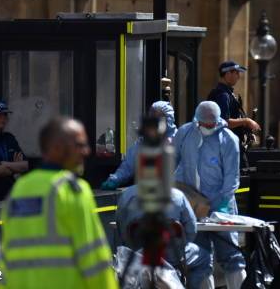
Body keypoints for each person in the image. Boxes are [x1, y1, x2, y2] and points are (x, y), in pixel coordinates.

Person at [0, 117, 118, 289]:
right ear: (56, 148)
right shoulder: (72, 190)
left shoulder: (19, 190)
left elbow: (6, 261)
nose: (86, 151)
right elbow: (95, 260)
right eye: (79, 145)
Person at [174, 101, 246, 289]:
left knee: (231, 256)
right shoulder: (185, 133)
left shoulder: (228, 139)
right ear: (197, 120)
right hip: (194, 208)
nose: (207, 127)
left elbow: (232, 177)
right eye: (204, 124)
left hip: (222, 208)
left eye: (211, 124)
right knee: (200, 259)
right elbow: (174, 164)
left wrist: (222, 203)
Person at [116, 184, 214, 289]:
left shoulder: (126, 195)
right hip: (172, 256)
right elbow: (191, 230)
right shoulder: (178, 195)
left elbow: (122, 230)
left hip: (139, 256)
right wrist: (179, 248)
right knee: (206, 258)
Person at [101, 101, 177, 190]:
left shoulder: (179, 139)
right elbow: (128, 165)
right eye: (151, 116)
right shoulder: (143, 142)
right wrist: (114, 179)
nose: (154, 121)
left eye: (158, 117)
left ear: (168, 119)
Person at [207, 60, 260, 161]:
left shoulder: (227, 93)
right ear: (227, 74)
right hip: (226, 149)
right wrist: (246, 121)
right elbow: (224, 122)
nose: (239, 76)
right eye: (236, 73)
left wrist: (246, 130)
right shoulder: (222, 95)